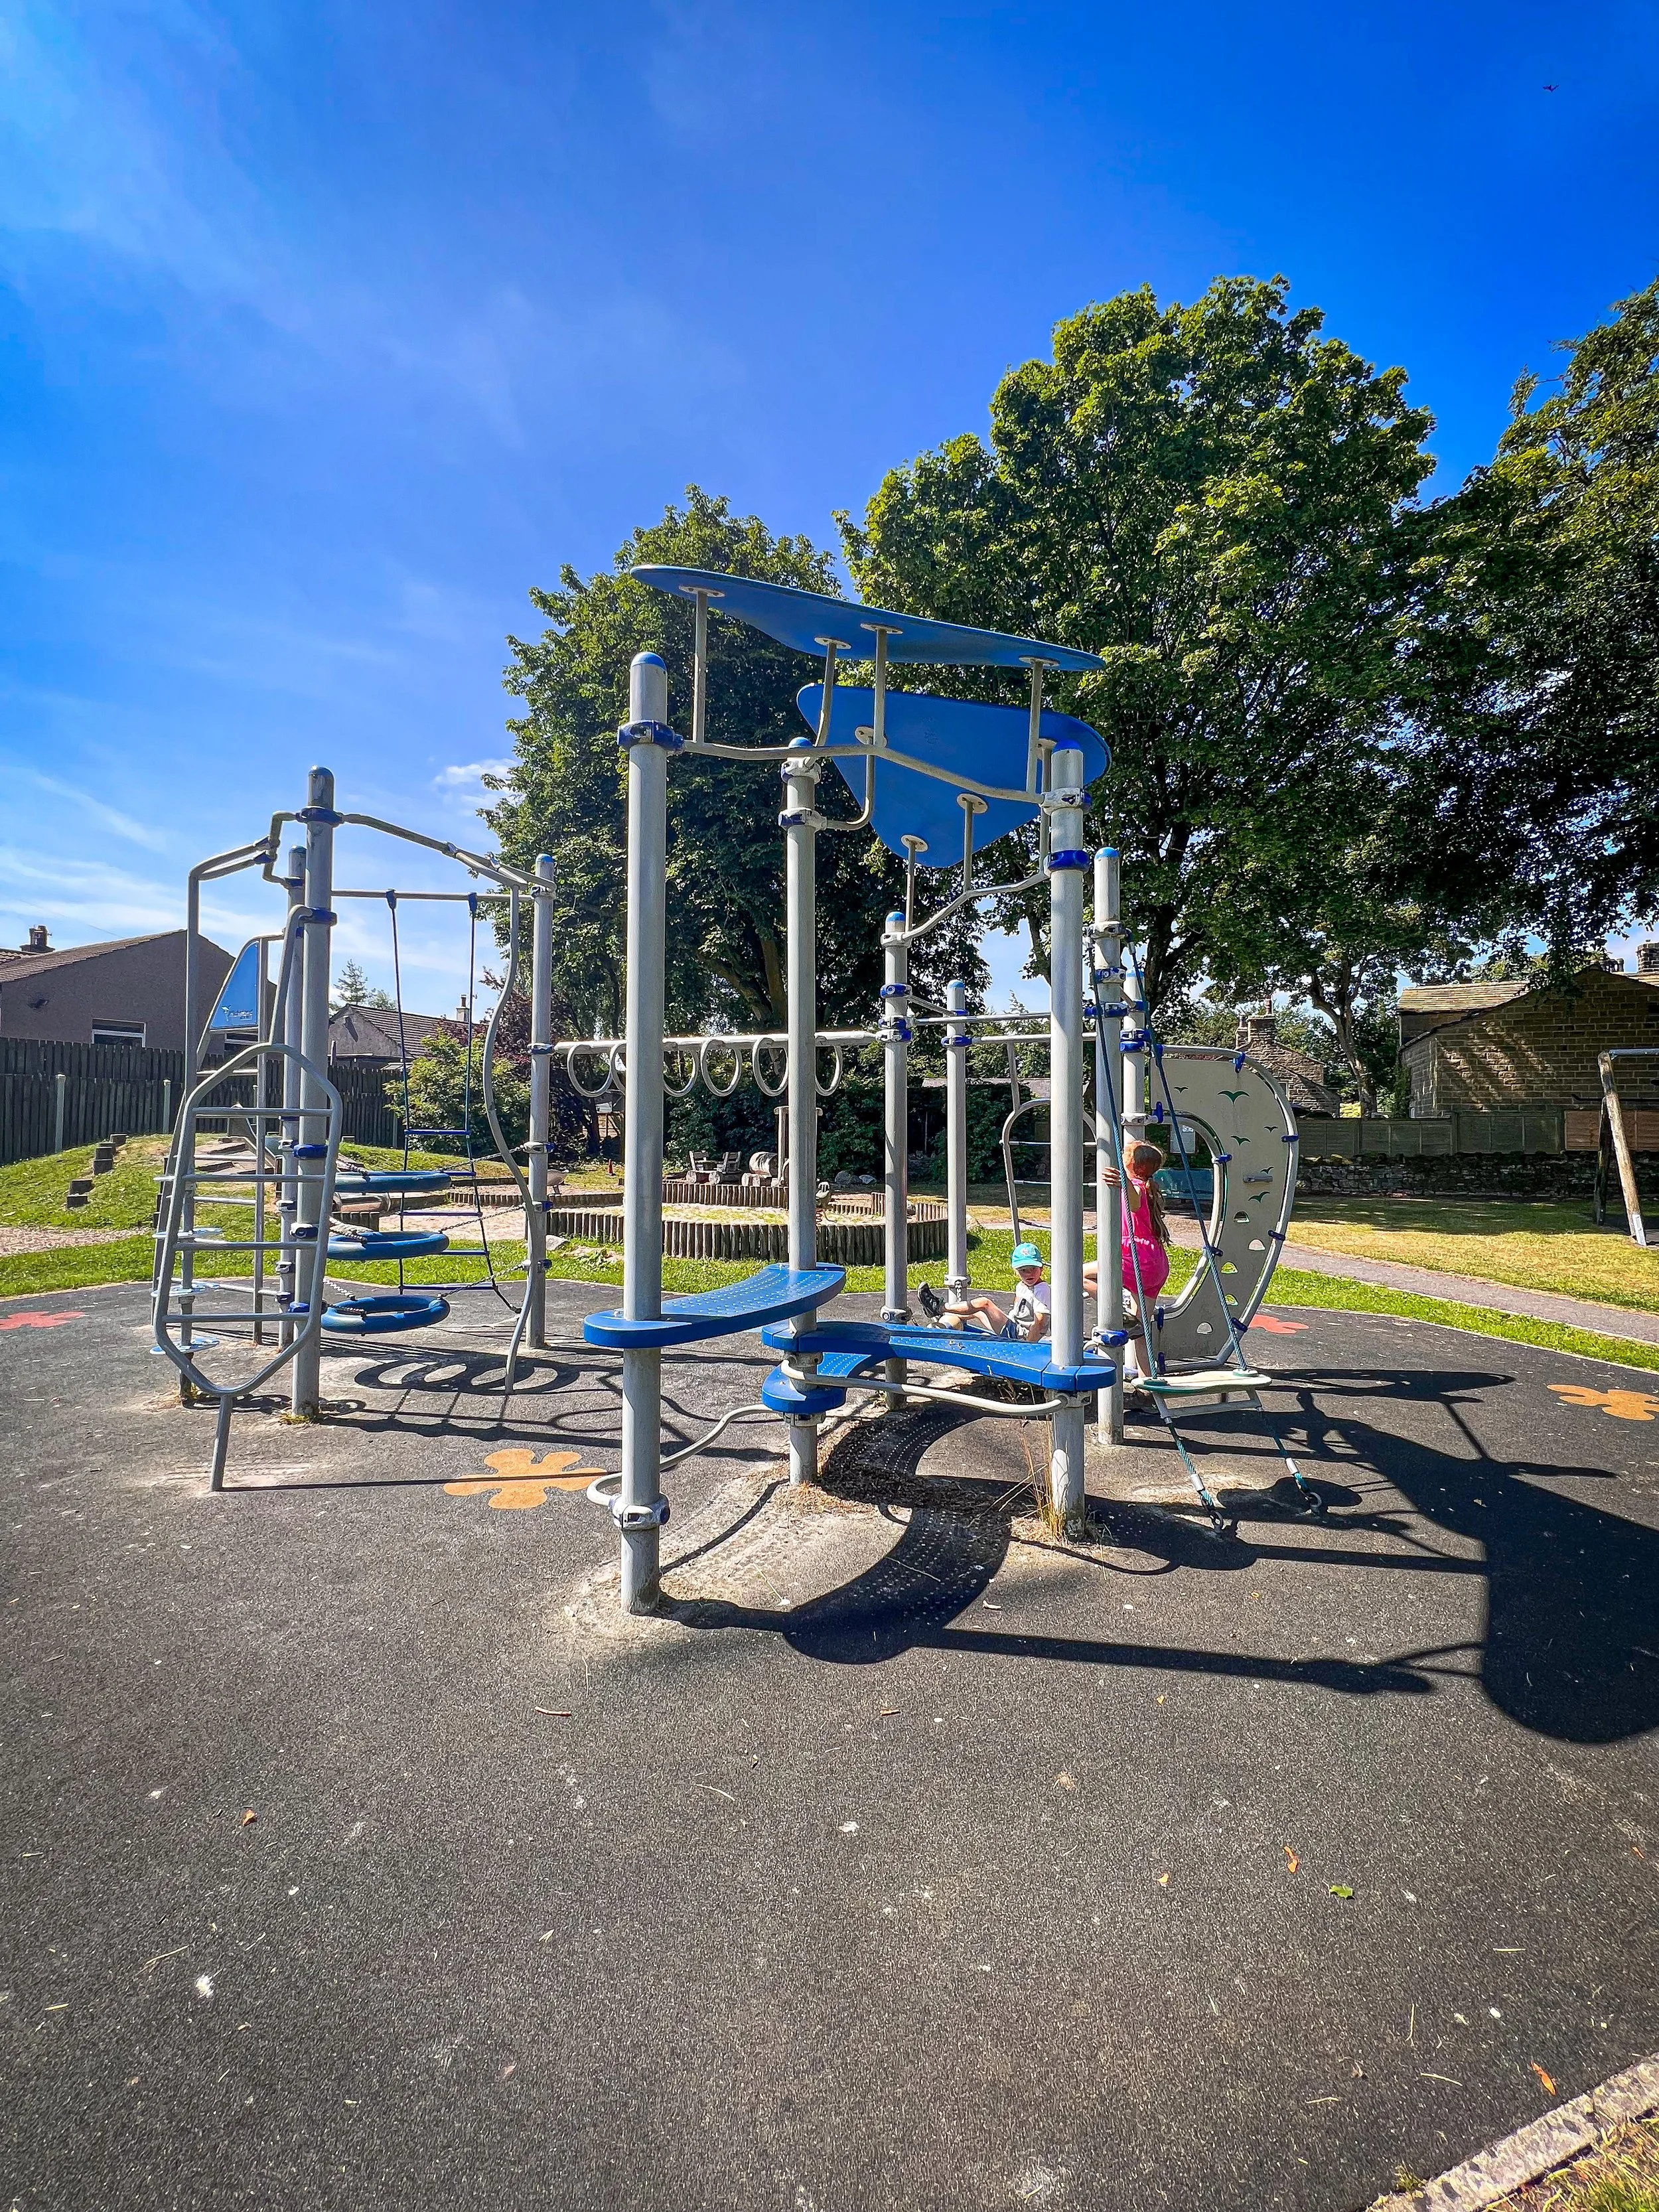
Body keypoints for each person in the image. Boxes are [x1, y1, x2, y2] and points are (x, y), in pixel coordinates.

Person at [1082, 1140, 1171, 1378]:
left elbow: (1134, 1200)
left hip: (1136, 1257)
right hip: (1155, 1260)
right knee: (1143, 1330)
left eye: (1124, 1154)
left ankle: (1121, 1314)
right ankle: (1148, 1380)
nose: (1121, 1155)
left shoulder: (1137, 1186)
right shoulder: (1149, 1187)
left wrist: (1123, 1180)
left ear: (1131, 1163)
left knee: (1076, 1275)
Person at [918, 1242, 1051, 1341]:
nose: (1029, 1274)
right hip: (1013, 1327)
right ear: (1016, 1272)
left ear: (1041, 1269)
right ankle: (943, 1315)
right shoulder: (1021, 1286)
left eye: (1033, 1269)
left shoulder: (1042, 1289)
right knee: (978, 1312)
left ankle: (938, 1307)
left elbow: (1041, 1321)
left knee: (984, 1303)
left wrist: (1028, 1346)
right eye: (1023, 1270)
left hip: (1019, 1335)